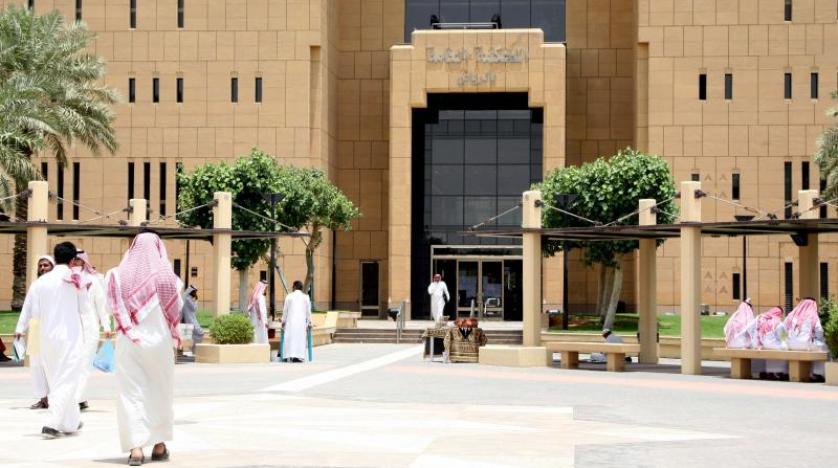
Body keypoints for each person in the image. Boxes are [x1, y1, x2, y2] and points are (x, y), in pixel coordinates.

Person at [106, 231, 183, 465]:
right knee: (160, 391)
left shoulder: (116, 275)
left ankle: (136, 449)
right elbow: (176, 309)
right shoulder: (168, 279)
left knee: (131, 394)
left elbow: (110, 309)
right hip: (160, 344)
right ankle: (159, 446)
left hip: (129, 342)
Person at [18, 242, 87, 438]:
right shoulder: (76, 279)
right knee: (67, 379)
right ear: (73, 260)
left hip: (46, 338)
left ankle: (71, 422)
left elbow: (33, 310)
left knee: (58, 379)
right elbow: (84, 308)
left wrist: (20, 328)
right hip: (70, 338)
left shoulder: (40, 282)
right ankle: (52, 422)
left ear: (55, 258)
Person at [73, 251, 113, 411]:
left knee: (84, 363)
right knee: (73, 364)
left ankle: (76, 399)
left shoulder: (94, 280)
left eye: (78, 259)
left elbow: (101, 305)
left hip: (90, 328)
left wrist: (107, 326)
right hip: (70, 329)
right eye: (73, 259)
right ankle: (79, 398)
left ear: (84, 262)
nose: (75, 262)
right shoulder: (65, 279)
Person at [15, 254, 55, 410]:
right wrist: (20, 328)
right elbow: (27, 308)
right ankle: (43, 398)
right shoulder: (35, 285)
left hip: (54, 329)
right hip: (36, 329)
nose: (43, 268)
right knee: (37, 365)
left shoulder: (60, 284)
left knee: (53, 364)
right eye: (41, 265)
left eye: (46, 265)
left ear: (53, 267)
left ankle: (59, 399)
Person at [784, 298, 828, 381]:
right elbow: (819, 331)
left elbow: (783, 330)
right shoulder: (812, 316)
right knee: (824, 347)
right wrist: (818, 340)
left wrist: (786, 340)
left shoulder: (791, 315)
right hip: (806, 345)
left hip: (790, 344)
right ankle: (817, 373)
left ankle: (786, 372)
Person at [753, 306, 788, 380]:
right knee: (786, 347)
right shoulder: (779, 323)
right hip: (774, 346)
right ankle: (781, 372)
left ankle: (768, 372)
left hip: (762, 345)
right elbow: (783, 338)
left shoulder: (762, 321)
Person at [281, 281, 312, 363]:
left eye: (292, 286)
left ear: (294, 287)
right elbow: (308, 312)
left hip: (290, 323)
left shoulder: (289, 296)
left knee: (290, 339)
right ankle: (297, 356)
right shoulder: (306, 297)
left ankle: (288, 356)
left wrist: (283, 321)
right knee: (299, 339)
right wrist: (309, 322)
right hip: (301, 324)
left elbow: (285, 311)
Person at [179, 285, 204, 355]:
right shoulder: (187, 299)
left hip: (192, 318)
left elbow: (194, 309)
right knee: (199, 332)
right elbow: (194, 308)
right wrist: (195, 300)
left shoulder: (190, 298)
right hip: (190, 319)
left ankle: (193, 349)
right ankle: (192, 349)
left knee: (196, 334)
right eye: (195, 291)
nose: (195, 293)